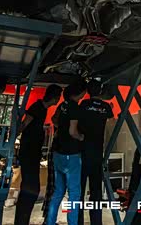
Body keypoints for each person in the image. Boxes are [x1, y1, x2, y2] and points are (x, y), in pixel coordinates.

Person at [14, 84, 62, 225]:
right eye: (58, 96)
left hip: (33, 153)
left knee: (32, 188)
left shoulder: (43, 109)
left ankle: (22, 220)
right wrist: (12, 139)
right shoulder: (37, 107)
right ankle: (21, 221)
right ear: (54, 97)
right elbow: (25, 123)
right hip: (28, 152)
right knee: (30, 188)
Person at [44, 81, 87, 225]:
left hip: (58, 153)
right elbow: (72, 131)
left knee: (58, 192)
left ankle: (50, 222)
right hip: (71, 154)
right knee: (74, 194)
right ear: (80, 93)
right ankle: (72, 223)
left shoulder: (63, 105)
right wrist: (81, 137)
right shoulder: (75, 107)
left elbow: (54, 119)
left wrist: (61, 128)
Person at [78, 81, 114, 225]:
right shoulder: (105, 107)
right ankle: (96, 221)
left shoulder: (84, 104)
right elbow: (112, 121)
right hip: (97, 152)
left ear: (88, 92)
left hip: (82, 152)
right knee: (96, 191)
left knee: (79, 190)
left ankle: (78, 221)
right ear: (100, 91)